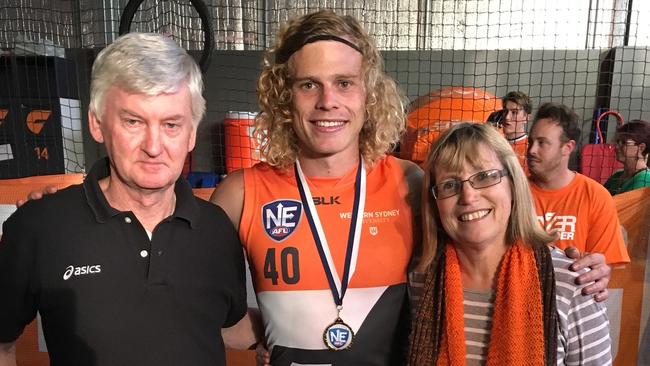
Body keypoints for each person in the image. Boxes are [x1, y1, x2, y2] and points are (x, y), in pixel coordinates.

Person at [0, 33, 247, 365]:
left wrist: (295, 333)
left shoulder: (217, 228)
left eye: (171, 124)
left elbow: (222, 326)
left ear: (191, 134)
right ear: (97, 124)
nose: (154, 146)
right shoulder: (39, 226)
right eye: (133, 121)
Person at [211, 10, 422, 366]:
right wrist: (278, 331)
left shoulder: (410, 184)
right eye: (308, 84)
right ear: (284, 96)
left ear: (367, 92)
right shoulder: (241, 193)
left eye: (344, 82)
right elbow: (189, 302)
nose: (327, 101)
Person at [408, 122, 612, 365]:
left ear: (513, 185)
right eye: (450, 185)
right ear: (435, 204)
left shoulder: (572, 284)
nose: (468, 196)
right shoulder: (421, 279)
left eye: (484, 176)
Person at [527, 102, 630, 268]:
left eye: (542, 143)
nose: (531, 150)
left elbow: (603, 268)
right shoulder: (512, 192)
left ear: (568, 147)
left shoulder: (596, 197)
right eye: (531, 141)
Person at [604, 119, 650, 195]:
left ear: (641, 148)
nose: (617, 146)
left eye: (624, 143)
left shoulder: (645, 180)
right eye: (617, 141)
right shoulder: (616, 177)